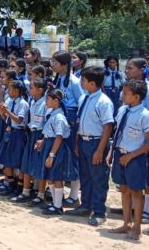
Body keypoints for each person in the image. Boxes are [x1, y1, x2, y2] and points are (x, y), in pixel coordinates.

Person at [63, 66, 114, 225]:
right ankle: (86, 205)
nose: (81, 82)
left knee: (98, 178)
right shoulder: (84, 98)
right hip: (83, 142)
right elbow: (80, 122)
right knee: (85, 175)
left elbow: (108, 127)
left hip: (96, 142)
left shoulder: (103, 101)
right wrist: (78, 142)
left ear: (92, 83)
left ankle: (99, 212)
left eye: (84, 80)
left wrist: (100, 150)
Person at [108, 80, 149, 241]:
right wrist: (112, 152)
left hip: (135, 158)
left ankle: (137, 227)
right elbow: (118, 132)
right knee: (124, 189)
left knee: (136, 192)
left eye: (126, 93)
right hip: (120, 154)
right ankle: (126, 223)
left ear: (137, 97)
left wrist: (130, 156)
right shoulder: (123, 110)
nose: (122, 95)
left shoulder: (144, 116)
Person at [38, 89, 79, 216]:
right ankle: (55, 203)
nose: (46, 102)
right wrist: (43, 142)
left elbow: (59, 137)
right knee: (50, 176)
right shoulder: (53, 114)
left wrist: (51, 155)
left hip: (57, 149)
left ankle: (58, 205)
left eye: (48, 99)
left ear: (56, 101)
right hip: (50, 145)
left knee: (57, 177)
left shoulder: (59, 117)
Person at [51, 50, 83, 207]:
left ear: (64, 65)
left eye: (56, 63)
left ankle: (74, 194)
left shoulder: (75, 82)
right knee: (60, 155)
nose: (53, 65)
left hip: (70, 119)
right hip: (59, 117)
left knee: (72, 155)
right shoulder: (57, 79)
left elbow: (81, 102)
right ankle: (57, 192)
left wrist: (75, 123)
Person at [13, 78, 48, 204]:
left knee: (40, 165)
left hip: (41, 135)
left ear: (40, 90)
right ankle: (26, 191)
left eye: (32, 87)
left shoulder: (45, 104)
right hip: (31, 133)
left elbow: (47, 123)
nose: (29, 89)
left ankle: (40, 194)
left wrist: (43, 139)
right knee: (26, 162)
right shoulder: (32, 101)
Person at [0, 81, 29, 197]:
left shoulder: (23, 104)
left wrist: (7, 110)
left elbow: (19, 120)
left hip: (19, 133)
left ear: (16, 90)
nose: (8, 92)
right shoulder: (9, 101)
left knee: (17, 161)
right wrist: (1, 111)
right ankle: (9, 184)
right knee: (6, 159)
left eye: (10, 89)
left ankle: (18, 187)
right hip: (9, 131)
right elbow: (6, 118)